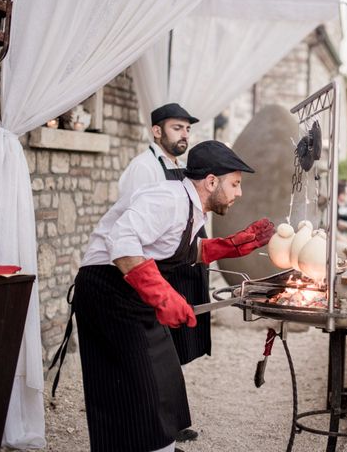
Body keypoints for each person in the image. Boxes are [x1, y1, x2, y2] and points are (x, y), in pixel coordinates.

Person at [62, 140, 274, 452]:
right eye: (235, 184)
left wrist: (232, 245)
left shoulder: (190, 207)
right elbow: (122, 242)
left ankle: (159, 446)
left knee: (163, 378)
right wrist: (163, 296)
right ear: (211, 181)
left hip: (129, 288)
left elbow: (181, 249)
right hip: (107, 291)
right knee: (138, 384)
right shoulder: (168, 198)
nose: (239, 193)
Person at [118, 103, 206, 444]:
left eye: (187, 129)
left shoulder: (181, 167)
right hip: (149, 269)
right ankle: (155, 429)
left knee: (173, 351)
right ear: (157, 131)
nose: (184, 134)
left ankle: (170, 423)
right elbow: (130, 226)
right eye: (176, 128)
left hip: (178, 263)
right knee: (152, 353)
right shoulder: (143, 168)